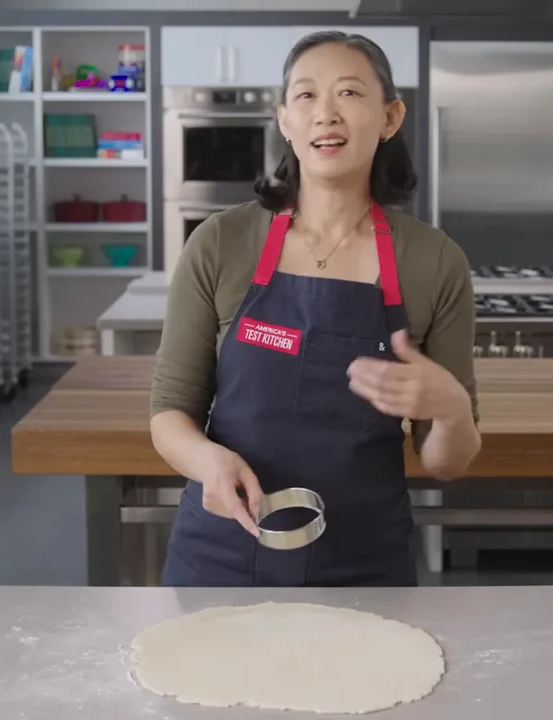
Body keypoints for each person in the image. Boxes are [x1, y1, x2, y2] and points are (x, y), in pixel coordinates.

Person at [149, 30, 481, 588]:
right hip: (223, 554)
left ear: (391, 117)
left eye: (349, 93)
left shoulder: (433, 259)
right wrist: (208, 461)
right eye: (305, 96)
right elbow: (169, 412)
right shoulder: (220, 242)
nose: (326, 113)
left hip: (365, 560)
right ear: (284, 119)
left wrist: (451, 409)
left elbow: (448, 461)